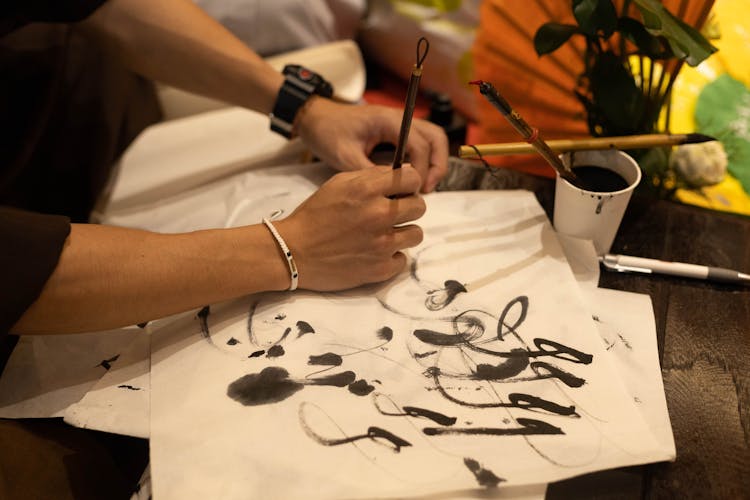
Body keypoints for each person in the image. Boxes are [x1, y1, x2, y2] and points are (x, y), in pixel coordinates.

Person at [1, 0, 449, 337]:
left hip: (119, 147)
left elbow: (110, 6)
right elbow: (17, 264)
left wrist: (306, 110)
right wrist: (292, 248)